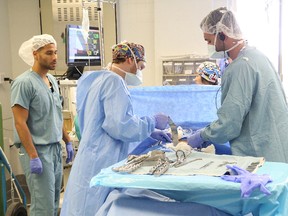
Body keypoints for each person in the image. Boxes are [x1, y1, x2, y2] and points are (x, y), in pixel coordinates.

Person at [60, 41, 171, 216]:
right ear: (129, 59)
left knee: (81, 205)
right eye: (140, 66)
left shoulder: (96, 80)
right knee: (93, 207)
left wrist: (149, 133)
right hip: (101, 159)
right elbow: (120, 126)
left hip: (91, 155)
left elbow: (104, 121)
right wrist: (152, 122)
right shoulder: (114, 82)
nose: (139, 72)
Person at [187, 7, 288, 163]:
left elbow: (229, 123)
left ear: (222, 35)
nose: (208, 46)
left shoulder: (240, 67)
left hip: (259, 155)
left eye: (208, 40)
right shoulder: (258, 56)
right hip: (277, 149)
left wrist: (203, 135)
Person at [10, 34, 74, 216]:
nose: (54, 57)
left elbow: (55, 114)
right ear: (35, 54)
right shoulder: (23, 83)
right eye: (49, 53)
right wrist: (33, 156)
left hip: (53, 149)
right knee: (43, 206)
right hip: (37, 150)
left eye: (55, 53)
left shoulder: (52, 81)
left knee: (54, 202)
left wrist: (67, 140)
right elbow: (20, 122)